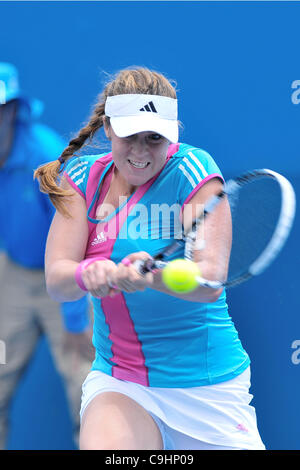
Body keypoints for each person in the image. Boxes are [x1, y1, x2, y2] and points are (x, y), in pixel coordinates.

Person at [34, 67, 265, 450]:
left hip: (207, 385)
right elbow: (58, 281)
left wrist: (153, 275)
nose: (140, 152)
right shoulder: (81, 179)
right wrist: (88, 271)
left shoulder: (196, 173)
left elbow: (208, 281)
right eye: (129, 136)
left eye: (154, 139)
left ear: (171, 135)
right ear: (107, 128)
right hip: (120, 381)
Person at [0, 62, 94, 449]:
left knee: (87, 392)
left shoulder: (47, 160)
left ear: (11, 111)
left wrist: (76, 320)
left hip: (67, 282)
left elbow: (78, 243)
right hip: (12, 277)